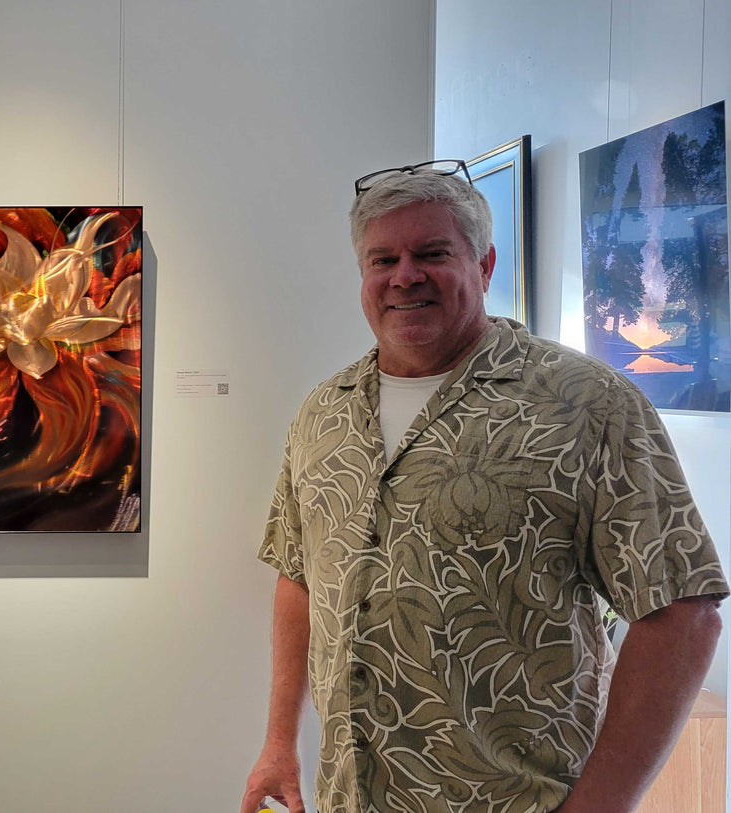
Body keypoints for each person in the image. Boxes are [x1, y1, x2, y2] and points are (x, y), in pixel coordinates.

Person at [241, 161, 727, 813]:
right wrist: (278, 742)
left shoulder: (587, 405)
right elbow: (300, 577)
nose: (404, 276)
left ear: (484, 264)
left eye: (431, 253)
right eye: (383, 259)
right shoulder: (323, 413)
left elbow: (683, 612)